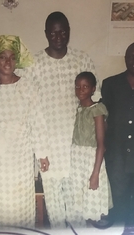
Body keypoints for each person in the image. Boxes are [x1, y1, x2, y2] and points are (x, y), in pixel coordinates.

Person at [22, 11, 100, 228]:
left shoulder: (82, 60)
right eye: (53, 32)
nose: (58, 36)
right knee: (55, 210)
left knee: (77, 205)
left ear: (69, 32)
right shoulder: (33, 64)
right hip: (49, 147)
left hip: (77, 147)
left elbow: (95, 103)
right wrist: (39, 150)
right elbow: (28, 108)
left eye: (63, 31)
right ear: (46, 33)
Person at [0, 35, 50, 228]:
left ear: (17, 60)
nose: (7, 62)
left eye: (11, 57)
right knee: (4, 207)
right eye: (2, 57)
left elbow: (37, 121)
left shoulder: (27, 86)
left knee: (24, 207)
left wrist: (42, 154)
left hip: (22, 157)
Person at [68, 71, 111, 227]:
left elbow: (101, 144)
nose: (80, 90)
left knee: (91, 193)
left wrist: (95, 173)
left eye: (85, 87)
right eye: (77, 86)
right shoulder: (78, 108)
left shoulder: (97, 109)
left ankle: (93, 226)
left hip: (92, 160)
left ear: (93, 89)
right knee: (79, 200)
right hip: (77, 160)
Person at [101, 42, 134, 226]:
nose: (133, 60)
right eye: (130, 56)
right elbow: (102, 119)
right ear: (125, 59)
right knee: (117, 194)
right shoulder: (110, 84)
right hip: (117, 153)